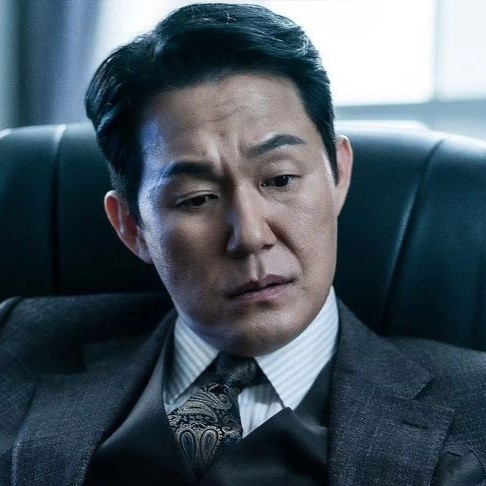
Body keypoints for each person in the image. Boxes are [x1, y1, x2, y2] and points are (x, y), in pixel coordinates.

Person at [1, 3, 485, 485]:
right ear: (132, 226)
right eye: (197, 199)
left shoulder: (474, 408)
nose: (251, 236)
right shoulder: (17, 345)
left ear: (338, 175)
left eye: (280, 179)